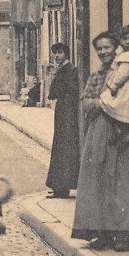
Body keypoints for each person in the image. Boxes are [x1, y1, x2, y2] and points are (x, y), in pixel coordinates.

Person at [72, 31, 129, 252]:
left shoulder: (127, 68)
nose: (102, 52)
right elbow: (88, 100)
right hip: (101, 130)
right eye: (99, 48)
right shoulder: (99, 73)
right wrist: (93, 103)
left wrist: (105, 104)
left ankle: (126, 234)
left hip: (125, 129)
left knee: (125, 182)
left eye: (107, 47)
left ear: (116, 47)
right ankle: (102, 231)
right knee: (100, 181)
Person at [45, 43, 79, 199]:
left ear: (67, 54)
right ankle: (60, 187)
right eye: (55, 53)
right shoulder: (62, 70)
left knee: (64, 146)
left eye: (60, 53)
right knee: (60, 145)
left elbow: (60, 91)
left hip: (68, 111)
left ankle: (62, 186)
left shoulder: (69, 70)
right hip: (63, 110)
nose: (57, 56)